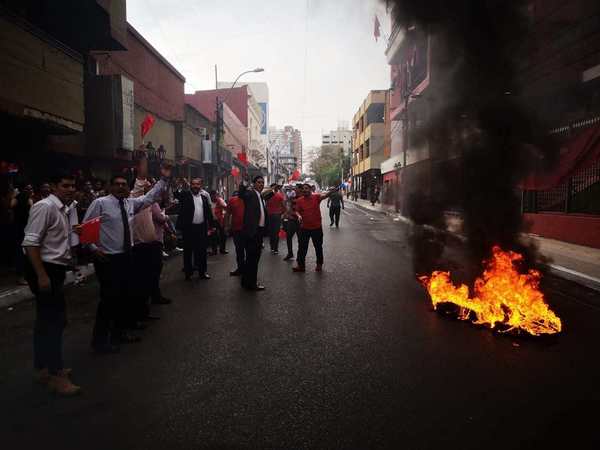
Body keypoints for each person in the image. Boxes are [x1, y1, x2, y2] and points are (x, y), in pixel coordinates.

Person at [83, 164, 172, 354]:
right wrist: (92, 248)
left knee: (124, 297)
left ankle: (119, 333)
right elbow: (86, 227)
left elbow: (149, 198)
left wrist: (163, 180)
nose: (121, 187)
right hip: (108, 259)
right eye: (117, 184)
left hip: (126, 256)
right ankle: (100, 341)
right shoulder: (100, 204)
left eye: (124, 184)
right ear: (110, 187)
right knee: (108, 300)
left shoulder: (129, 203)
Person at [22, 171, 81, 396]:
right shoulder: (44, 207)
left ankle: (42, 368)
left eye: (72, 185)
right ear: (54, 186)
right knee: (55, 322)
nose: (69, 189)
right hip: (43, 268)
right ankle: (56, 375)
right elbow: (30, 243)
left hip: (54, 269)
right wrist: (41, 275)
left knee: (46, 321)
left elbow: (56, 242)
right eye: (65, 185)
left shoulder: (64, 209)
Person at [174, 178, 214, 281]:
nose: (195, 186)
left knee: (201, 251)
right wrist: (180, 185)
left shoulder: (204, 198)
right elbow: (177, 194)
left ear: (201, 186)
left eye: (198, 184)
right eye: (193, 184)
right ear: (190, 186)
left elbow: (208, 213)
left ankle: (202, 272)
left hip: (201, 228)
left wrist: (211, 226)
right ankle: (188, 273)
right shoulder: (186, 195)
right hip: (189, 229)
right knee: (188, 251)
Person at [293, 183, 339, 273]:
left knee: (318, 247)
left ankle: (319, 264)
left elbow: (325, 196)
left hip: (316, 227)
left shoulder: (316, 197)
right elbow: (297, 211)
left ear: (310, 189)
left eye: (307, 188)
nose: (305, 190)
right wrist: (298, 216)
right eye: (303, 189)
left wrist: (331, 191)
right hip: (304, 228)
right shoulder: (299, 200)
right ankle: (301, 266)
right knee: (302, 248)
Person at [238, 176, 273, 291]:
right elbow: (241, 194)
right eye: (258, 182)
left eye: (262, 182)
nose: (261, 184)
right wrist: (244, 183)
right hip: (252, 232)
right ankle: (252, 283)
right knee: (253, 259)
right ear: (253, 184)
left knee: (251, 259)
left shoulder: (260, 196)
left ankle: (245, 281)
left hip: (259, 232)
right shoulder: (251, 194)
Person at [11, 183, 33, 285]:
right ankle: (21, 276)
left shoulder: (21, 198)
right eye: (28, 189)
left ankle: (25, 276)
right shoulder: (24, 199)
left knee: (25, 253)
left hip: (25, 229)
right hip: (21, 229)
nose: (30, 190)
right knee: (21, 253)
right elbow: (11, 205)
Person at [226, 190, 245, 276]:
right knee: (239, 250)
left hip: (248, 229)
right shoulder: (232, 200)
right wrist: (226, 226)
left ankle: (248, 269)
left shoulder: (249, 199)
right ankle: (240, 268)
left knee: (249, 250)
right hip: (237, 229)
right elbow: (227, 214)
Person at [282, 184, 300, 261]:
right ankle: (290, 253)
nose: (294, 190)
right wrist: (286, 214)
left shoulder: (303, 198)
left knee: (301, 239)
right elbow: (287, 207)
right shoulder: (291, 197)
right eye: (294, 188)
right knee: (288, 237)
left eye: (296, 188)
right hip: (291, 220)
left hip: (299, 221)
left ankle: (300, 256)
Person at [266, 183, 285, 254]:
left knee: (271, 232)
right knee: (276, 232)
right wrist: (282, 213)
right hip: (277, 215)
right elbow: (283, 205)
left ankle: (272, 247)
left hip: (270, 215)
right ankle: (276, 248)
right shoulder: (280, 195)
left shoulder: (268, 196)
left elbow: (266, 205)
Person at [209, 190, 228, 255]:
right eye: (212, 196)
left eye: (215, 195)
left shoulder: (220, 200)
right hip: (212, 221)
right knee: (213, 236)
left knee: (223, 235)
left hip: (220, 220)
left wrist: (223, 214)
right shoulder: (208, 202)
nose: (214, 197)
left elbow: (226, 208)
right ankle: (214, 250)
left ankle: (222, 249)